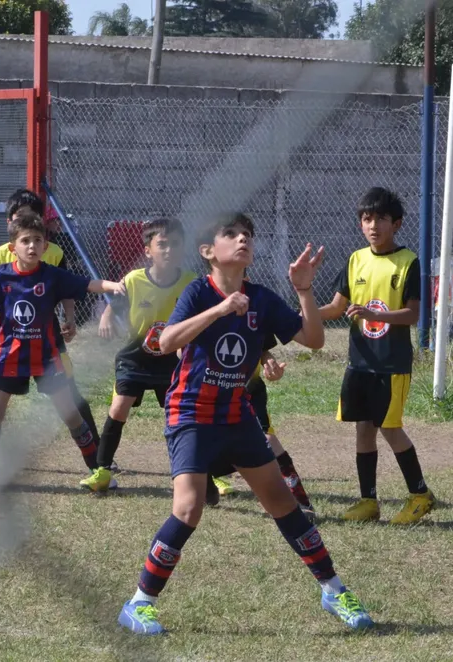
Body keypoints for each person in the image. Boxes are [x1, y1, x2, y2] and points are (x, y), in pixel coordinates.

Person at [118, 213, 374, 635]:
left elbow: (313, 339)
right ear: (207, 252)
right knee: (188, 508)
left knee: (283, 503)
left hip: (237, 414)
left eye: (248, 236)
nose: (242, 240)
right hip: (192, 414)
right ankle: (138, 604)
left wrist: (304, 290)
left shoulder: (262, 298)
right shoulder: (198, 292)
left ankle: (333, 590)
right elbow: (166, 342)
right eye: (231, 235)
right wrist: (219, 309)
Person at [0, 210, 125, 486]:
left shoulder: (53, 276)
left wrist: (114, 285)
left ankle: (97, 468)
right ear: (13, 248)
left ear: (46, 246)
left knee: (70, 413)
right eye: (25, 241)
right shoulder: (2, 276)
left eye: (37, 240)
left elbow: (87, 284)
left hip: (47, 358)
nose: (32, 246)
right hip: (10, 355)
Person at [319, 187, 435, 524]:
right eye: (367, 219)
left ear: (396, 223)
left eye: (381, 219)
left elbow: (413, 315)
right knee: (363, 430)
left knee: (390, 428)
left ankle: (420, 494)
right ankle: (368, 501)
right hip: (360, 361)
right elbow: (337, 307)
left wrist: (376, 316)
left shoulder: (408, 262)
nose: (373, 225)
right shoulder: (355, 259)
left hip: (391, 363)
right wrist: (304, 304)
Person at [84, 217, 197, 493]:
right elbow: (115, 303)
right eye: (162, 244)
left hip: (172, 360)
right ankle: (102, 471)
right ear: (148, 250)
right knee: (119, 407)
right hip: (135, 357)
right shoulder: (133, 280)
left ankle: (206, 472)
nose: (169, 250)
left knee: (185, 416)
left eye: (175, 244)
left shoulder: (192, 283)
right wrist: (107, 317)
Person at [209, 345, 318, 520]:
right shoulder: (200, 316)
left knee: (267, 438)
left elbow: (263, 347)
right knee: (209, 443)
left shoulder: (258, 316)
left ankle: (300, 503)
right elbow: (180, 350)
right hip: (210, 391)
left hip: (249, 389)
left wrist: (268, 361)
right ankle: (206, 480)